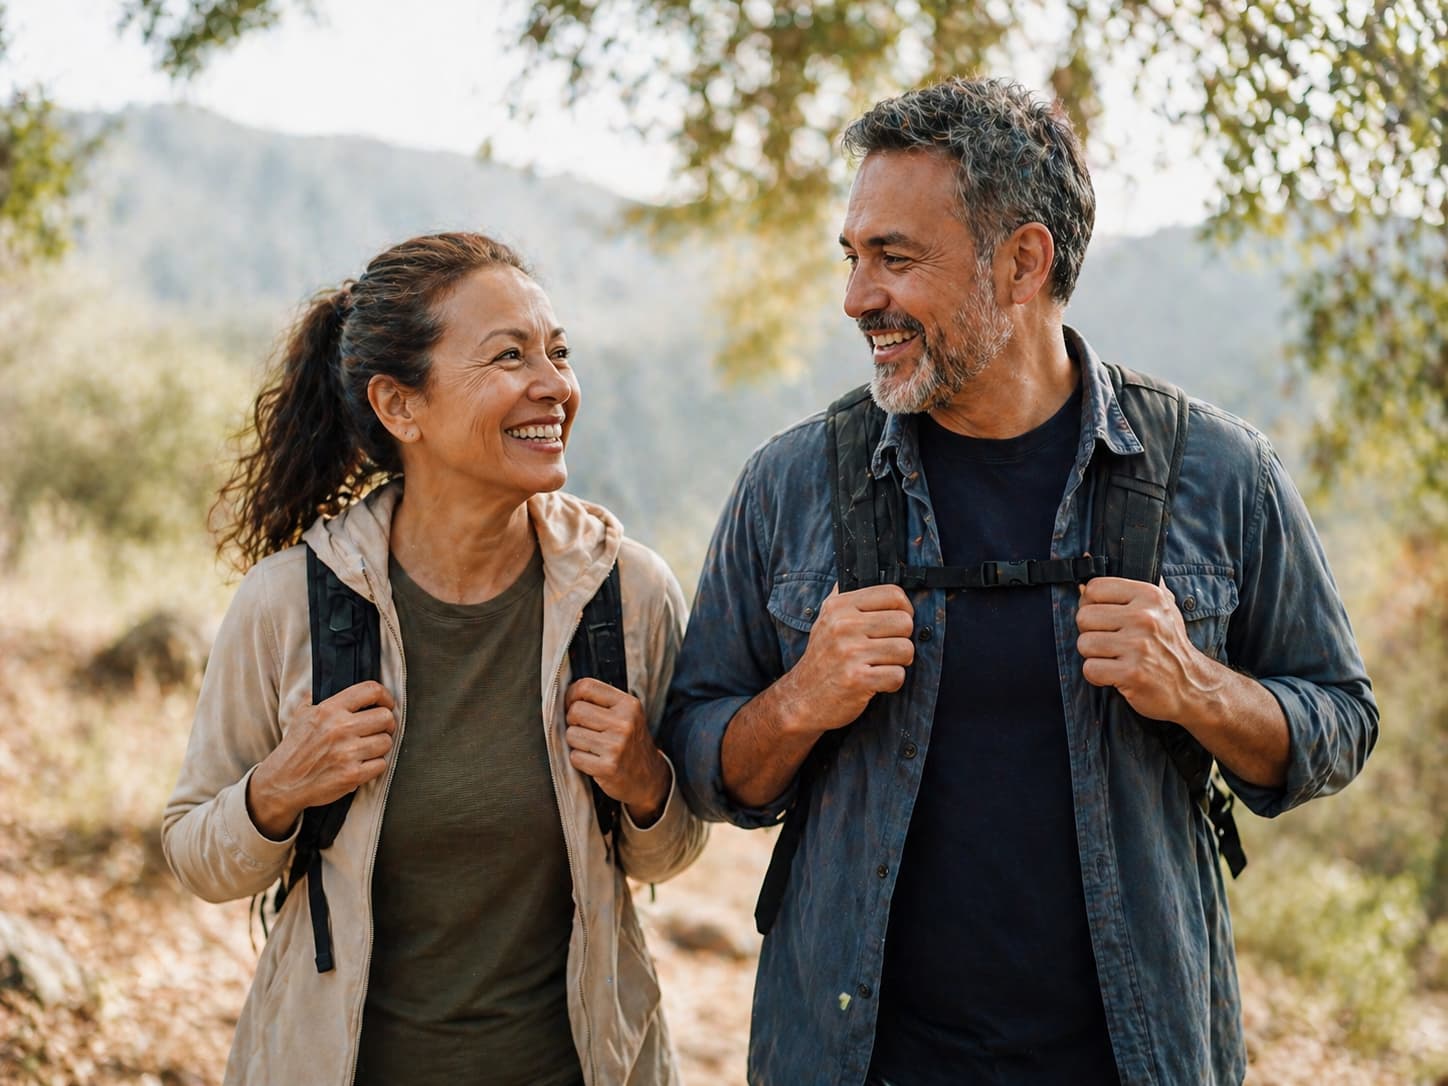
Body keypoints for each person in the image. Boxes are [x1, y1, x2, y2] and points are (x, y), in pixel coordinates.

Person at [663, 78, 1378, 1086]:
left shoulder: (1217, 471)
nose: (855, 295)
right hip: (851, 1059)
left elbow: (1338, 721)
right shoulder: (791, 484)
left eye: (893, 258)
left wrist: (1195, 688)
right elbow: (701, 760)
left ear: (1021, 262)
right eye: (852, 256)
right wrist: (796, 703)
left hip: (1138, 1056)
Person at [163, 231, 707, 1086]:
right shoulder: (289, 605)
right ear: (400, 406)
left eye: (557, 352)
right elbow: (195, 853)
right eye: (508, 356)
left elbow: (666, 855)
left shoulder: (626, 593)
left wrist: (646, 784)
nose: (554, 385)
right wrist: (279, 788)